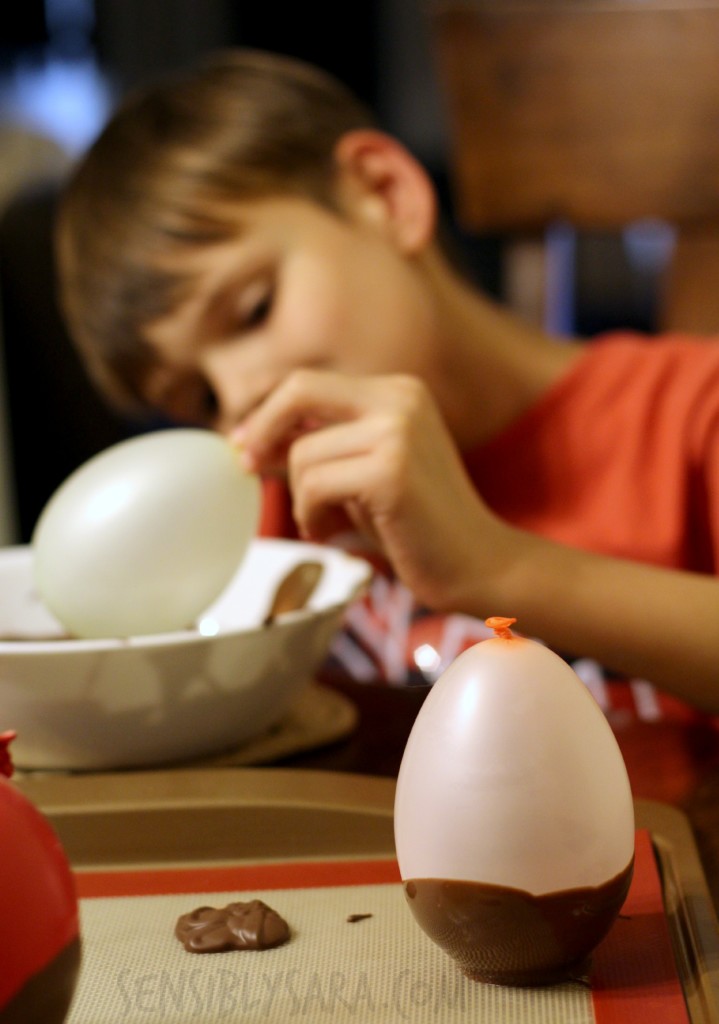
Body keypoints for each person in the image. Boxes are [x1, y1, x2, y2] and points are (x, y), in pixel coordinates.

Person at [55, 48, 719, 713]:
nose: (238, 401)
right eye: (199, 401)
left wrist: (496, 568)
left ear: (383, 194)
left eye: (254, 308)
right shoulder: (277, 527)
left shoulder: (689, 412)